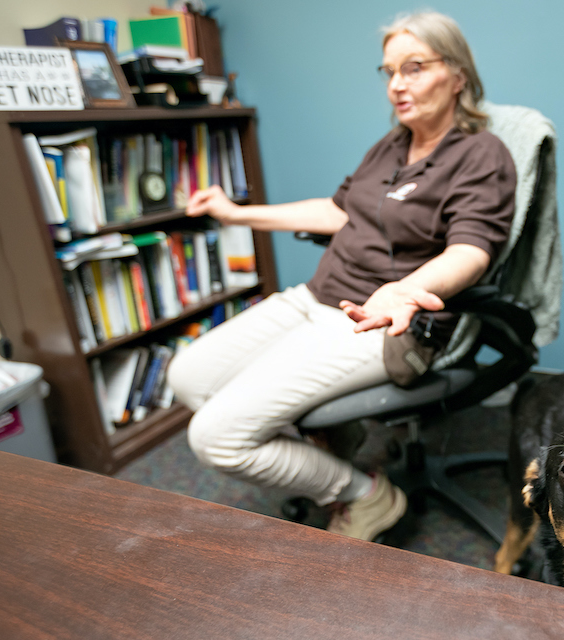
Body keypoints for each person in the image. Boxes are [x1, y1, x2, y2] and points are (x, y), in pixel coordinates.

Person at [167, 11, 516, 542]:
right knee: (187, 377)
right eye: (390, 71)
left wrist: (406, 290)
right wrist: (238, 213)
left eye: (415, 67)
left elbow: (472, 250)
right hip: (315, 299)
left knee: (215, 438)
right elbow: (337, 213)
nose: (397, 84)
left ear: (459, 75)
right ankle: (332, 441)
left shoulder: (481, 154)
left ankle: (367, 495)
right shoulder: (391, 145)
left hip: (383, 324)